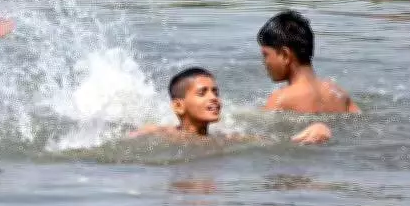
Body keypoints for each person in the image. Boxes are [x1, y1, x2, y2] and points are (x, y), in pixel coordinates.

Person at [129, 67, 331, 145]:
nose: (214, 98)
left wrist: (318, 129)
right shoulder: (156, 133)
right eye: (202, 93)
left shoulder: (227, 139)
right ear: (179, 106)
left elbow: (281, 144)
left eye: (215, 92)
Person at [257, 10, 360, 113]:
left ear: (285, 55)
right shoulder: (339, 93)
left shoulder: (280, 99)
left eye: (265, 55)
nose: (264, 62)